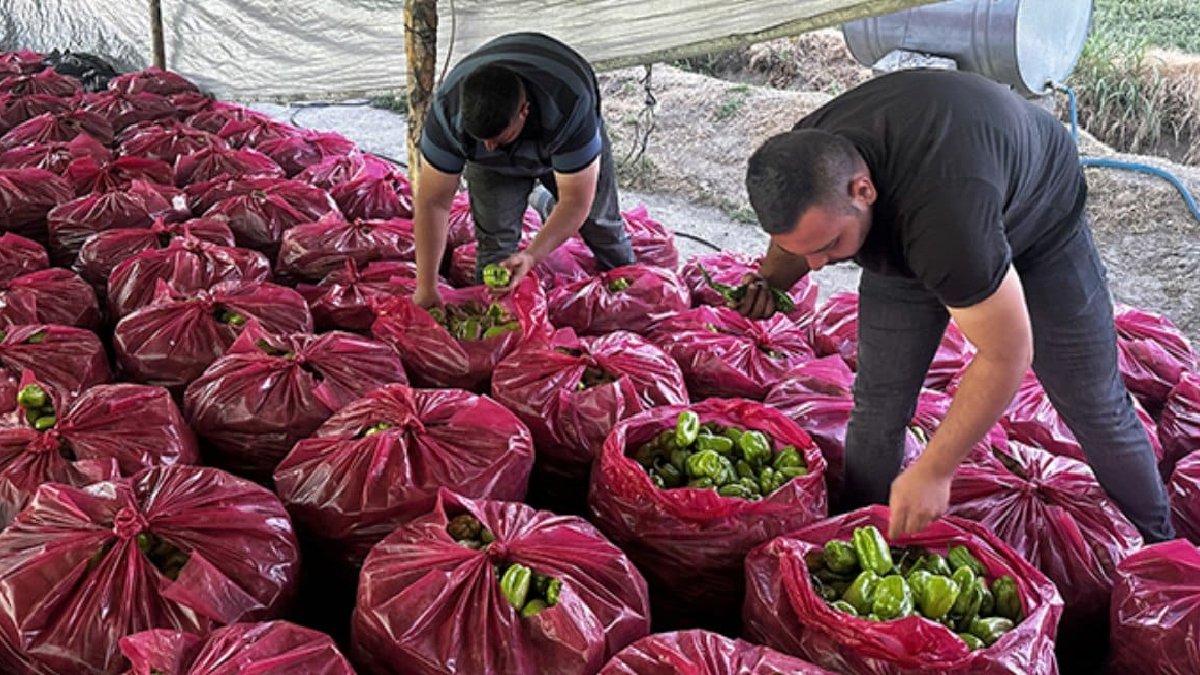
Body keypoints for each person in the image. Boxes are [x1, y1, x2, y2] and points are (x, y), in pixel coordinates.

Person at [738, 68, 1174, 543]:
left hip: (1039, 221)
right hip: (936, 207)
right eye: (805, 251)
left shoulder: (947, 223)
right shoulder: (807, 160)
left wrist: (935, 470)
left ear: (863, 190)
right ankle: (860, 531)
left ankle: (1161, 546)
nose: (817, 266)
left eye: (828, 245)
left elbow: (1007, 354)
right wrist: (769, 279)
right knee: (878, 404)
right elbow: (799, 238)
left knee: (1094, 402)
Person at [410, 32, 634, 305]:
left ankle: (631, 293)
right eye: (482, 139)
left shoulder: (570, 104)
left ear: (524, 111)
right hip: (494, 166)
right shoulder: (447, 113)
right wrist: (426, 286)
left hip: (561, 136)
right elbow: (432, 202)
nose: (489, 147)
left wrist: (531, 256)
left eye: (498, 137)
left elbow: (576, 201)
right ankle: (497, 317)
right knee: (496, 244)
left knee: (599, 223)